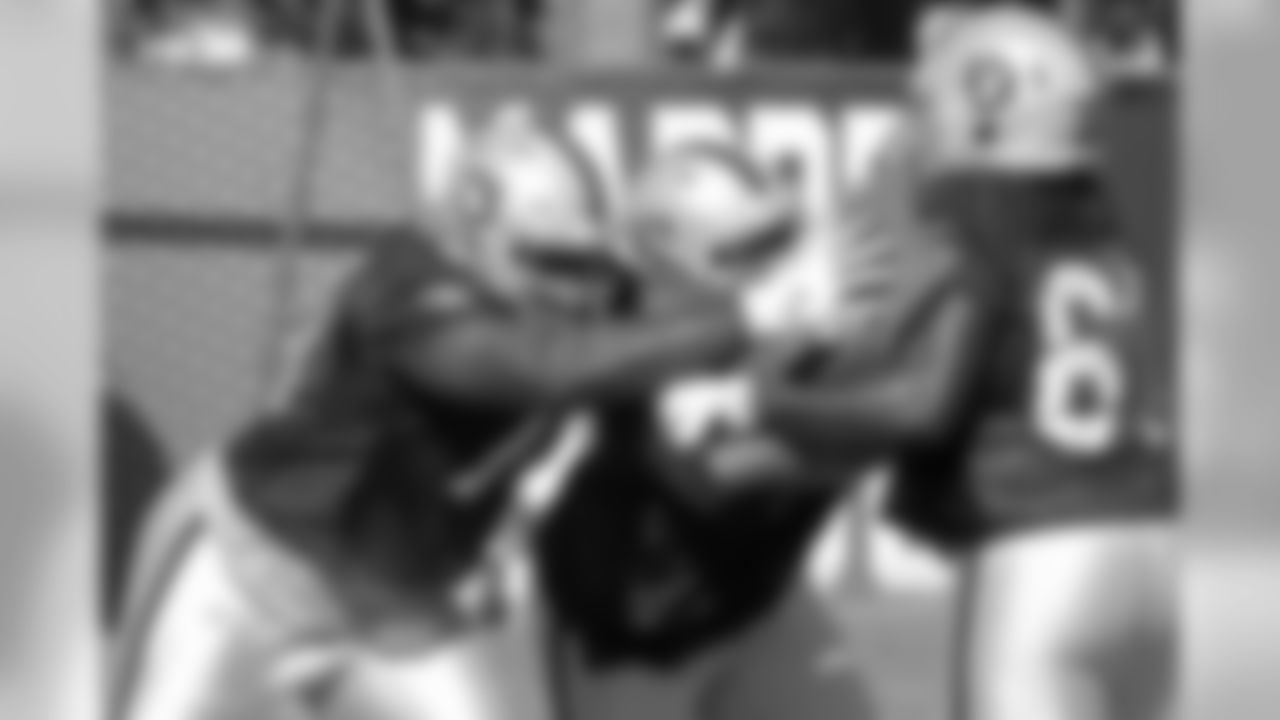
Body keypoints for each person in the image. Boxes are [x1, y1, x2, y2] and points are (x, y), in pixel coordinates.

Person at [110, 112, 827, 720]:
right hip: (249, 571)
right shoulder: (405, 285)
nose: (573, 289)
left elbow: (644, 335)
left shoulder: (582, 295)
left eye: (583, 262)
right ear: (473, 235)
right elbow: (535, 367)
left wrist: (761, 291)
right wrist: (751, 316)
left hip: (404, 604)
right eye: (548, 260)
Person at [536, 138, 981, 720]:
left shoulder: (806, 307)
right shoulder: (651, 349)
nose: (779, 261)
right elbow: (735, 467)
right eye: (745, 248)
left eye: (781, 235)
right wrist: (894, 418)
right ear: (667, 264)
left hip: (755, 596)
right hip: (632, 633)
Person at [885, 7, 1177, 720]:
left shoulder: (973, 221)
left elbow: (926, 405)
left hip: (1040, 556)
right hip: (1165, 546)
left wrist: (781, 396)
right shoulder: (1096, 226)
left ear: (983, 110)